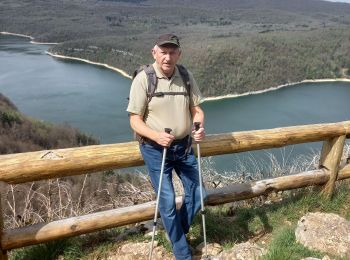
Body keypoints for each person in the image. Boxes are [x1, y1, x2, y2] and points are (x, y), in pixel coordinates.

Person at [127, 33, 207, 259]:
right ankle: (182, 252)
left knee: (199, 193)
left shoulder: (185, 75)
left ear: (179, 54)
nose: (168, 57)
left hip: (183, 147)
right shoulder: (144, 79)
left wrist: (199, 127)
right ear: (154, 53)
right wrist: (155, 135)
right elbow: (134, 119)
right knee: (168, 201)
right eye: (163, 52)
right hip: (155, 149)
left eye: (172, 52)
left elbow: (196, 109)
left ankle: (176, 233)